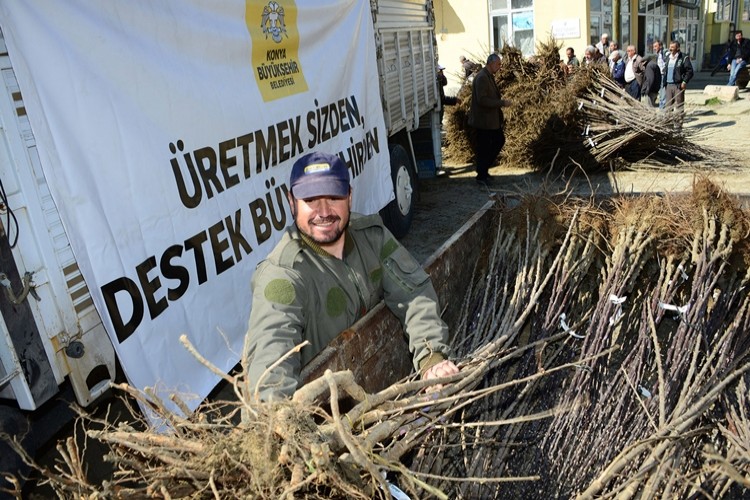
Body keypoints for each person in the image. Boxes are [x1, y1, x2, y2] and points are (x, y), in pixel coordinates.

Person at [243, 152, 459, 401]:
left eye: (334, 197)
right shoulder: (283, 275)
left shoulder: (371, 237)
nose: (323, 212)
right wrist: (274, 417)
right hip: (328, 408)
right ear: (292, 202)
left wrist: (431, 356)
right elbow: (271, 356)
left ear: (349, 196)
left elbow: (413, 292)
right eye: (311, 200)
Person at [468, 53, 512, 186]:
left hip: (489, 121)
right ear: (491, 63)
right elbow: (482, 100)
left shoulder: (487, 76)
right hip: (484, 121)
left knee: (495, 143)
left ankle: (483, 171)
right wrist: (502, 103)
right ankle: (481, 175)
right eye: (498, 64)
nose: (499, 67)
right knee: (486, 147)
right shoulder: (482, 77)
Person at [664, 40, 693, 128]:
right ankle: (668, 124)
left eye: (672, 47)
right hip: (668, 85)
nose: (670, 49)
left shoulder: (683, 57)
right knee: (668, 106)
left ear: (678, 48)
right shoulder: (668, 57)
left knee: (679, 106)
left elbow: (690, 71)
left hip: (678, 85)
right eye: (670, 47)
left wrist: (684, 81)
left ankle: (678, 125)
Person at [652, 39, 668, 108]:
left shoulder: (665, 53)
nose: (654, 48)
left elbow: (667, 63)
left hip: (663, 75)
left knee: (663, 93)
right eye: (653, 47)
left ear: (660, 46)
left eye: (656, 46)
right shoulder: (657, 55)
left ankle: (662, 110)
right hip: (659, 75)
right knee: (661, 93)